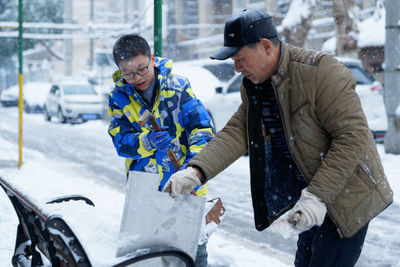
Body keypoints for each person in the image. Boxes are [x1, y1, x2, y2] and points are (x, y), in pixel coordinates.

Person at [163, 9, 394, 267]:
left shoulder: (321, 72)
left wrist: (317, 197)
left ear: (266, 47)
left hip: (347, 195)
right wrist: (196, 171)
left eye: (240, 59)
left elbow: (353, 138)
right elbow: (238, 131)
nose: (237, 69)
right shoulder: (256, 85)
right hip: (309, 196)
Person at [108, 33, 214, 266]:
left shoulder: (178, 87)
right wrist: (145, 143)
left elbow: (202, 128)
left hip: (186, 186)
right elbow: (120, 141)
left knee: (192, 254)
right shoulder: (119, 98)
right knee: (150, 257)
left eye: (142, 69)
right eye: (128, 73)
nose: (136, 78)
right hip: (145, 189)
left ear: (152, 59)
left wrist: (194, 167)